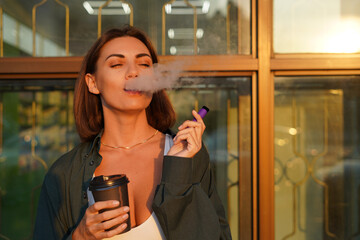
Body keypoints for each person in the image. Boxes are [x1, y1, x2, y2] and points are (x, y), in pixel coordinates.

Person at [33, 25, 232, 240]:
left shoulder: (188, 155)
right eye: (117, 64)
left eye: (144, 64)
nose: (134, 72)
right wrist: (79, 236)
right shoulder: (64, 173)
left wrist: (178, 172)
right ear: (93, 83)